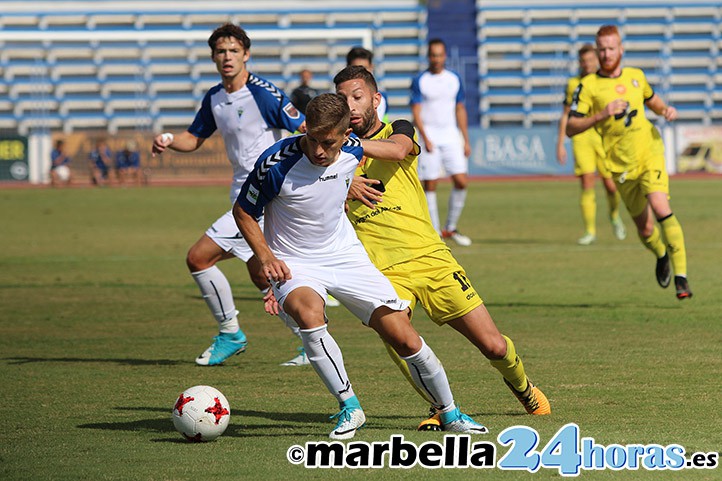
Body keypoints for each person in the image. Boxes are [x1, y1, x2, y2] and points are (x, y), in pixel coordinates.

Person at [234, 93, 488, 439]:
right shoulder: (276, 163)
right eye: (313, 140)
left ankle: (451, 413)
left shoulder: (354, 150)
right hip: (296, 261)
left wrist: (347, 184)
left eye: (328, 143)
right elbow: (244, 211)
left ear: (345, 136)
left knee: (403, 336)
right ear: (304, 129)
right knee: (309, 315)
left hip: (346, 255)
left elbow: (340, 173)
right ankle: (350, 407)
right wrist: (266, 258)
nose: (320, 151)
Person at [333, 65, 550, 431]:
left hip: (431, 258)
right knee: (398, 336)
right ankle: (441, 406)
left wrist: (349, 149)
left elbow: (399, 149)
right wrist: (341, 178)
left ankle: (523, 386)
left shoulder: (396, 128)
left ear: (375, 99)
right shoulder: (331, 155)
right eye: (343, 99)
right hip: (381, 271)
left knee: (494, 346)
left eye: (357, 97)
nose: (351, 106)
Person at [151, 23, 308, 367]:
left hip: (262, 196)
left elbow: (306, 128)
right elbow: (194, 138)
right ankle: (310, 340)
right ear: (213, 57)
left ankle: (230, 333)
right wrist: (168, 140)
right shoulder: (214, 98)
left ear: (246, 55)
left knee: (198, 258)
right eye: (221, 51)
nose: (227, 57)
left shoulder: (263, 93)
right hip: (241, 194)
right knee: (261, 273)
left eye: (234, 51)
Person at [567, 25, 692, 300]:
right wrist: (601, 114)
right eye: (602, 49)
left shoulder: (637, 76)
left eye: (611, 48)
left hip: (649, 152)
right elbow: (571, 127)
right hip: (620, 167)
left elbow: (652, 100)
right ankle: (661, 254)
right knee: (645, 229)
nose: (606, 53)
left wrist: (666, 110)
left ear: (621, 49)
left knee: (661, 206)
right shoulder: (587, 86)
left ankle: (681, 278)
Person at [557, 44, 626, 245]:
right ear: (579, 63)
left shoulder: (603, 82)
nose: (587, 64)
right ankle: (590, 231)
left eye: (590, 60)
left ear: (596, 60)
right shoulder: (573, 84)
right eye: (583, 61)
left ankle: (614, 216)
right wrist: (560, 142)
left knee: (611, 186)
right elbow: (565, 115)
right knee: (587, 182)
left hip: (602, 136)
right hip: (581, 137)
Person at [410, 38, 472, 246]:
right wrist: (425, 137)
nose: (436, 59)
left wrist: (465, 138)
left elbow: (460, 108)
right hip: (430, 137)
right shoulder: (420, 80)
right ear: (428, 56)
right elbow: (416, 111)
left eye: (439, 55)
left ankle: (450, 227)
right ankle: (435, 232)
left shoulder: (454, 79)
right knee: (430, 183)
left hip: (451, 135)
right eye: (433, 55)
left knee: (461, 180)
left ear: (445, 56)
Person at [346, 46, 389, 122]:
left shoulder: (381, 98)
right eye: (356, 69)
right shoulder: (340, 98)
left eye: (364, 69)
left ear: (371, 67)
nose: (360, 74)